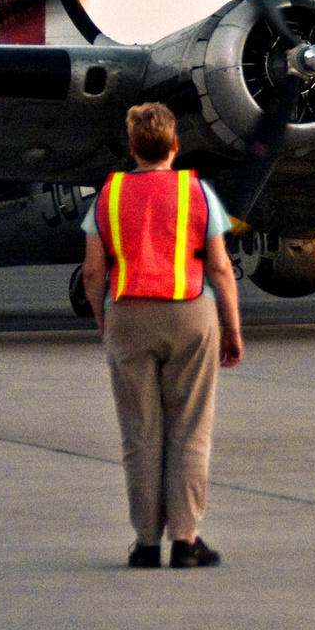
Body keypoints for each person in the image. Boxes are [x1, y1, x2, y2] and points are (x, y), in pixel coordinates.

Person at [81, 102, 244, 568]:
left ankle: (147, 543)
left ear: (132, 148)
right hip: (191, 313)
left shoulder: (106, 197)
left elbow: (93, 273)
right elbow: (219, 267)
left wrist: (104, 319)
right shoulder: (198, 193)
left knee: (140, 434)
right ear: (175, 145)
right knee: (190, 431)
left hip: (128, 314)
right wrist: (232, 328)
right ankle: (187, 540)